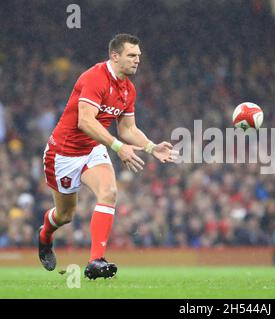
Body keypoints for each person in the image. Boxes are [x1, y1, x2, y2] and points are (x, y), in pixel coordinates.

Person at [39, 34, 177, 279]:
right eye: (131, 55)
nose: (137, 60)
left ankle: (95, 261)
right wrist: (117, 147)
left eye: (139, 56)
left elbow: (128, 130)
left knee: (110, 192)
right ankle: (45, 235)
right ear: (115, 56)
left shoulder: (128, 89)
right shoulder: (94, 77)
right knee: (65, 215)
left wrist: (151, 148)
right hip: (63, 153)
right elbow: (85, 121)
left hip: (93, 149)